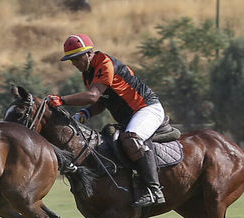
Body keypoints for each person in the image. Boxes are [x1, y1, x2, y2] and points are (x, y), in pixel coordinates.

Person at [46, 34, 165, 208]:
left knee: (131, 137)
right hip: (130, 117)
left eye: (77, 58)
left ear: (89, 53)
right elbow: (100, 102)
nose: (75, 63)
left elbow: (93, 96)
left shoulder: (104, 63)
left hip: (146, 109)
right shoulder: (87, 73)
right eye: (72, 60)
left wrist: (62, 100)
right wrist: (85, 113)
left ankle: (154, 190)